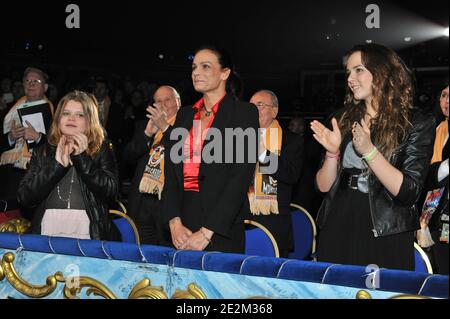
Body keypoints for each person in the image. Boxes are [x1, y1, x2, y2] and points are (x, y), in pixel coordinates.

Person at [310, 43, 435, 271]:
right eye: (348, 72)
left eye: (359, 70)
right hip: (339, 217)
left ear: (382, 72)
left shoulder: (416, 122)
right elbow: (323, 186)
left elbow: (409, 192)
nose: (350, 78)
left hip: (386, 227)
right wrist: (331, 153)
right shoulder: (343, 118)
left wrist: (369, 152)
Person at [162, 45, 259, 253]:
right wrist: (174, 223)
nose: (196, 72)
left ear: (225, 73)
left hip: (222, 229)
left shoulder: (244, 113)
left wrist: (208, 231)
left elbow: (240, 178)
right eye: (194, 67)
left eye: (205, 66)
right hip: (182, 230)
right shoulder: (185, 115)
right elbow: (170, 173)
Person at [17, 91, 120, 240]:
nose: (72, 118)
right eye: (66, 113)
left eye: (80, 115)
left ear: (89, 121)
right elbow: (24, 198)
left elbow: (111, 192)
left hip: (89, 229)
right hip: (48, 226)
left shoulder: (101, 149)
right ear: (58, 119)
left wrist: (82, 159)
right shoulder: (43, 151)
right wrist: (57, 166)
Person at [246, 90, 303, 257]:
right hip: (242, 220)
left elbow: (291, 175)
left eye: (260, 105)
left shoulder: (291, 140)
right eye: (251, 106)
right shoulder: (239, 138)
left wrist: (263, 153)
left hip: (273, 222)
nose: (254, 110)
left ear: (275, 111)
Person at [124, 85, 181, 245]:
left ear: (178, 102)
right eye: (158, 101)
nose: (162, 104)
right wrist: (147, 134)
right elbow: (127, 157)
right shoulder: (144, 125)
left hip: (169, 203)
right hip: (143, 202)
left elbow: (184, 156)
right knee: (142, 253)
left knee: (167, 254)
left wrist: (165, 127)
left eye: (167, 100)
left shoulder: (187, 127)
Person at [0, 67, 55, 210]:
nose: (31, 84)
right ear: (23, 85)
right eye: (27, 81)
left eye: (36, 81)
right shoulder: (10, 110)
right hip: (12, 173)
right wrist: (11, 137)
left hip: (37, 175)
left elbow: (55, 147)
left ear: (45, 87)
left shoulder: (55, 114)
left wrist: (37, 138)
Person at [417, 83, 449, 275]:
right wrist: (444, 167)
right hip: (440, 218)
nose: (447, 101)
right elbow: (425, 175)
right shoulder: (439, 130)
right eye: (444, 95)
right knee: (442, 267)